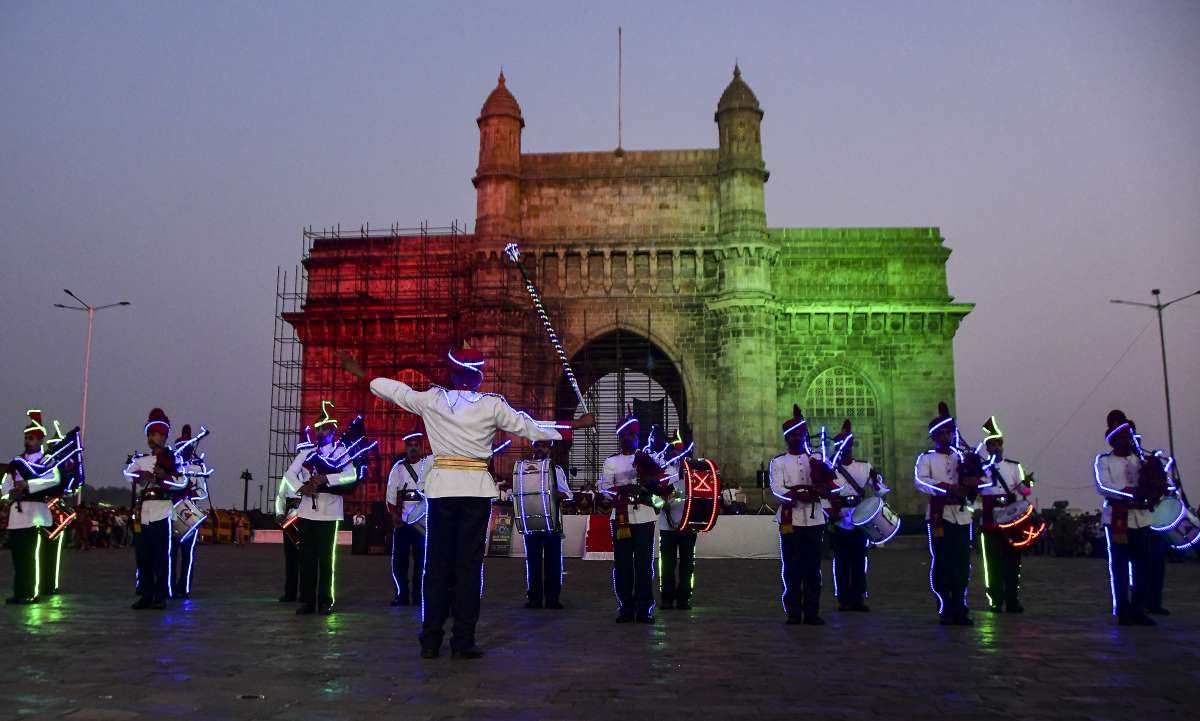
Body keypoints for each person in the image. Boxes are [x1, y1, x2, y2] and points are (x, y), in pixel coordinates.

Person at [341, 347, 593, 659]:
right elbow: (528, 426)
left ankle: (430, 640)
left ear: (451, 373)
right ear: (478, 376)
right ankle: (462, 641)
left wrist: (361, 374)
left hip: (442, 490)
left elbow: (396, 391)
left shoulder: (433, 400)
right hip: (475, 491)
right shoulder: (491, 405)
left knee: (435, 567)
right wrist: (575, 426)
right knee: (469, 568)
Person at [1094, 409, 1175, 626]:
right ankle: (1123, 609)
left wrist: (1158, 477)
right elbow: (1103, 487)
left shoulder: (1142, 461)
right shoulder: (1104, 460)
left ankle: (1139, 609)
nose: (1127, 440)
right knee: (1119, 566)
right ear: (1113, 441)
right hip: (1117, 518)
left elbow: (1161, 484)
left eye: (1128, 436)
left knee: (1142, 566)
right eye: (1122, 437)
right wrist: (1132, 493)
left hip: (1142, 518)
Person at [285, 402, 360, 616]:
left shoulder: (341, 452)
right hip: (307, 513)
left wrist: (326, 478)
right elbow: (289, 474)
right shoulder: (307, 452)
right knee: (306, 560)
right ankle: (308, 601)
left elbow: (351, 475)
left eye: (324, 429)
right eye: (318, 428)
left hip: (329, 513)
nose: (320, 432)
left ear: (333, 430)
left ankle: (326, 600)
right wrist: (302, 488)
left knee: (327, 561)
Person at [915, 401, 981, 626]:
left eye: (949, 432)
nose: (947, 436)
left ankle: (960, 606)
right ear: (934, 436)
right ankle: (945, 606)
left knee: (962, 563)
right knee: (943, 561)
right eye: (942, 433)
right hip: (939, 515)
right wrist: (948, 488)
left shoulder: (961, 457)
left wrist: (973, 480)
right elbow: (921, 481)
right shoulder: (926, 458)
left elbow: (978, 479)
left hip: (961, 515)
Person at [770, 405, 832, 626]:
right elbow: (776, 488)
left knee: (813, 568)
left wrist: (822, 486)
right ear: (787, 438)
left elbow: (831, 484)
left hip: (814, 520)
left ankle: (812, 611)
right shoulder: (778, 462)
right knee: (792, 568)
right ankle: (794, 612)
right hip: (791, 519)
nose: (797, 438)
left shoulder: (816, 458)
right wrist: (796, 494)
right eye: (793, 435)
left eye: (800, 434)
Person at [599, 410, 661, 623]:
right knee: (623, 564)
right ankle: (626, 606)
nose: (627, 438)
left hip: (644, 518)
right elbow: (605, 489)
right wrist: (624, 490)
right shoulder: (611, 462)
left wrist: (648, 484)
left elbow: (660, 485)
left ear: (637, 437)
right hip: (621, 518)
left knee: (644, 564)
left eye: (631, 435)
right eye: (624, 435)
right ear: (620, 438)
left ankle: (644, 608)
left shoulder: (648, 459)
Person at [126, 408, 186, 610]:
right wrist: (142, 475)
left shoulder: (172, 459)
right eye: (149, 434)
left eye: (155, 434)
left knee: (161, 556)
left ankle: (160, 596)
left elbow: (181, 482)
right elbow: (128, 474)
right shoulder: (142, 460)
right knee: (143, 557)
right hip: (143, 513)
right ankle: (146, 594)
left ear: (164, 436)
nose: (151, 438)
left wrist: (163, 477)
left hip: (161, 511)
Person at [827, 419, 889, 612]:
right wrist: (831, 513)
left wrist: (877, 481)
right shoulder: (830, 469)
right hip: (840, 517)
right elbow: (825, 494)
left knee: (859, 560)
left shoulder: (864, 466)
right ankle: (843, 599)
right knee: (841, 562)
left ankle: (858, 598)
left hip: (860, 518)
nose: (846, 450)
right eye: (842, 447)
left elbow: (879, 490)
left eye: (848, 447)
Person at [2, 411, 62, 604]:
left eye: (32, 438)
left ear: (40, 439)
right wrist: (9, 492)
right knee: (19, 558)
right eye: (26, 437)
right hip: (17, 515)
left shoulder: (47, 461)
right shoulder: (17, 461)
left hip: (36, 513)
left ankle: (31, 592)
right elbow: (5, 486)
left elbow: (54, 479)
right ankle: (20, 592)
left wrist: (27, 485)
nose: (28, 441)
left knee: (31, 556)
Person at [977, 416, 1033, 613]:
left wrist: (1028, 484)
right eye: (991, 445)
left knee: (1013, 561)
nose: (995, 448)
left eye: (997, 444)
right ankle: (995, 599)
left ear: (1002, 445)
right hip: (990, 517)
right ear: (987, 448)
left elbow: (1025, 491)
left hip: (1011, 519)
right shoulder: (981, 468)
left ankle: (1012, 599)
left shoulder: (1014, 467)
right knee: (993, 562)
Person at [514, 438, 572, 609]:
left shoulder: (556, 469)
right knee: (532, 563)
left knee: (553, 563)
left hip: (552, 524)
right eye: (537, 446)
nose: (540, 449)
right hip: (531, 522)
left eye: (544, 446)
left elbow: (568, 493)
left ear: (550, 449)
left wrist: (558, 494)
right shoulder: (524, 468)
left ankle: (552, 599)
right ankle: (534, 598)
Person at [386, 432, 431, 606]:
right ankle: (401, 594)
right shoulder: (398, 468)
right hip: (403, 522)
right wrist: (394, 515)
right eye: (410, 445)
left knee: (422, 561)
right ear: (405, 447)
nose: (413, 448)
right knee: (399, 561)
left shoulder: (429, 465)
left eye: (416, 445)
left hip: (423, 522)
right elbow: (391, 492)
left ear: (421, 447)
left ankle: (419, 595)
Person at [656, 434, 696, 611]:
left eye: (681, 451)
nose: (678, 455)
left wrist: (676, 496)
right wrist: (662, 503)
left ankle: (683, 598)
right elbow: (654, 499)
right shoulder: (662, 472)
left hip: (688, 523)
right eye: (675, 451)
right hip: (667, 525)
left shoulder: (693, 473)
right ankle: (667, 598)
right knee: (667, 564)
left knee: (687, 564)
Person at [172, 425, 210, 599]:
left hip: (189, 514)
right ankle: (170, 586)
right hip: (172, 513)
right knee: (171, 554)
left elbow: (203, 492)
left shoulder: (197, 468)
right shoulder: (172, 466)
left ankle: (184, 587)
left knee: (188, 555)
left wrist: (190, 493)